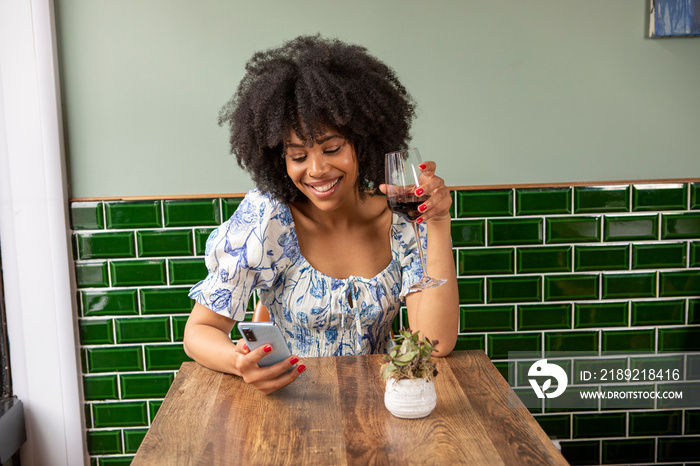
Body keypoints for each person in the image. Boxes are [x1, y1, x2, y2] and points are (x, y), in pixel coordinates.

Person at [183, 35, 459, 395]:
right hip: (292, 411)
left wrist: (437, 223)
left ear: (363, 142)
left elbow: (435, 343)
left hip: (383, 407)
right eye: (298, 156)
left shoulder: (400, 215)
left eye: (332, 148)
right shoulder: (268, 220)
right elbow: (198, 332)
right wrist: (239, 363)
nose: (316, 169)